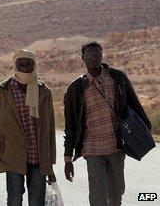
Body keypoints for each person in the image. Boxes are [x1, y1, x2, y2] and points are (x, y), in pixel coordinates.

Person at [64, 41, 151, 206]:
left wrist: (144, 130)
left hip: (117, 146)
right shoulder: (75, 88)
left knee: (117, 195)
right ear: (82, 58)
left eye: (98, 53)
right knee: (98, 198)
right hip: (92, 148)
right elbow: (71, 127)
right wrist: (68, 159)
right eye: (90, 54)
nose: (95, 57)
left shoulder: (117, 78)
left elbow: (135, 105)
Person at [0, 50, 57, 206]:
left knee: (37, 201)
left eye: (28, 64)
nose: (25, 68)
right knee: (14, 199)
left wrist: (50, 165)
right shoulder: (2, 92)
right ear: (14, 66)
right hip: (12, 156)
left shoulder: (44, 92)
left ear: (34, 65)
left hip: (38, 156)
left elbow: (49, 129)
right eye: (20, 64)